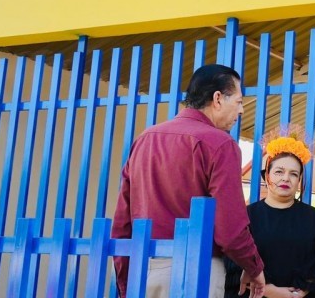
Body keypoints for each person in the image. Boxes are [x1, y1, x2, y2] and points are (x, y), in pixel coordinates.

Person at [112, 64, 265, 298]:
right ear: (217, 99)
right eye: (239, 101)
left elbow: (122, 221)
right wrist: (254, 267)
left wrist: (125, 282)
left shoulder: (144, 139)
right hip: (195, 268)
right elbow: (230, 230)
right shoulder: (220, 144)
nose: (241, 110)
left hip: (143, 268)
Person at [225, 128, 315, 298]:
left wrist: (303, 290)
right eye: (279, 171)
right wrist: (269, 289)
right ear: (267, 177)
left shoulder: (313, 219)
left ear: (299, 181)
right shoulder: (248, 216)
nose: (286, 178)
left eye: (293, 174)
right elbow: (233, 264)